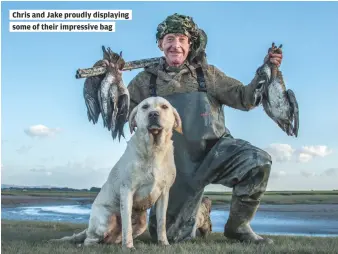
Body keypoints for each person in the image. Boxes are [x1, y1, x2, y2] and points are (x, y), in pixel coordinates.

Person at [98, 13, 282, 244]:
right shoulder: (145, 81)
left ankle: (239, 226)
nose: (176, 45)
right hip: (176, 168)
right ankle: (201, 212)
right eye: (170, 39)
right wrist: (113, 82)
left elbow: (245, 99)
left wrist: (266, 70)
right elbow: (121, 117)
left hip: (215, 151)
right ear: (160, 44)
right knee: (171, 237)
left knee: (258, 161)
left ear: (190, 44)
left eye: (182, 39)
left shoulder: (208, 74)